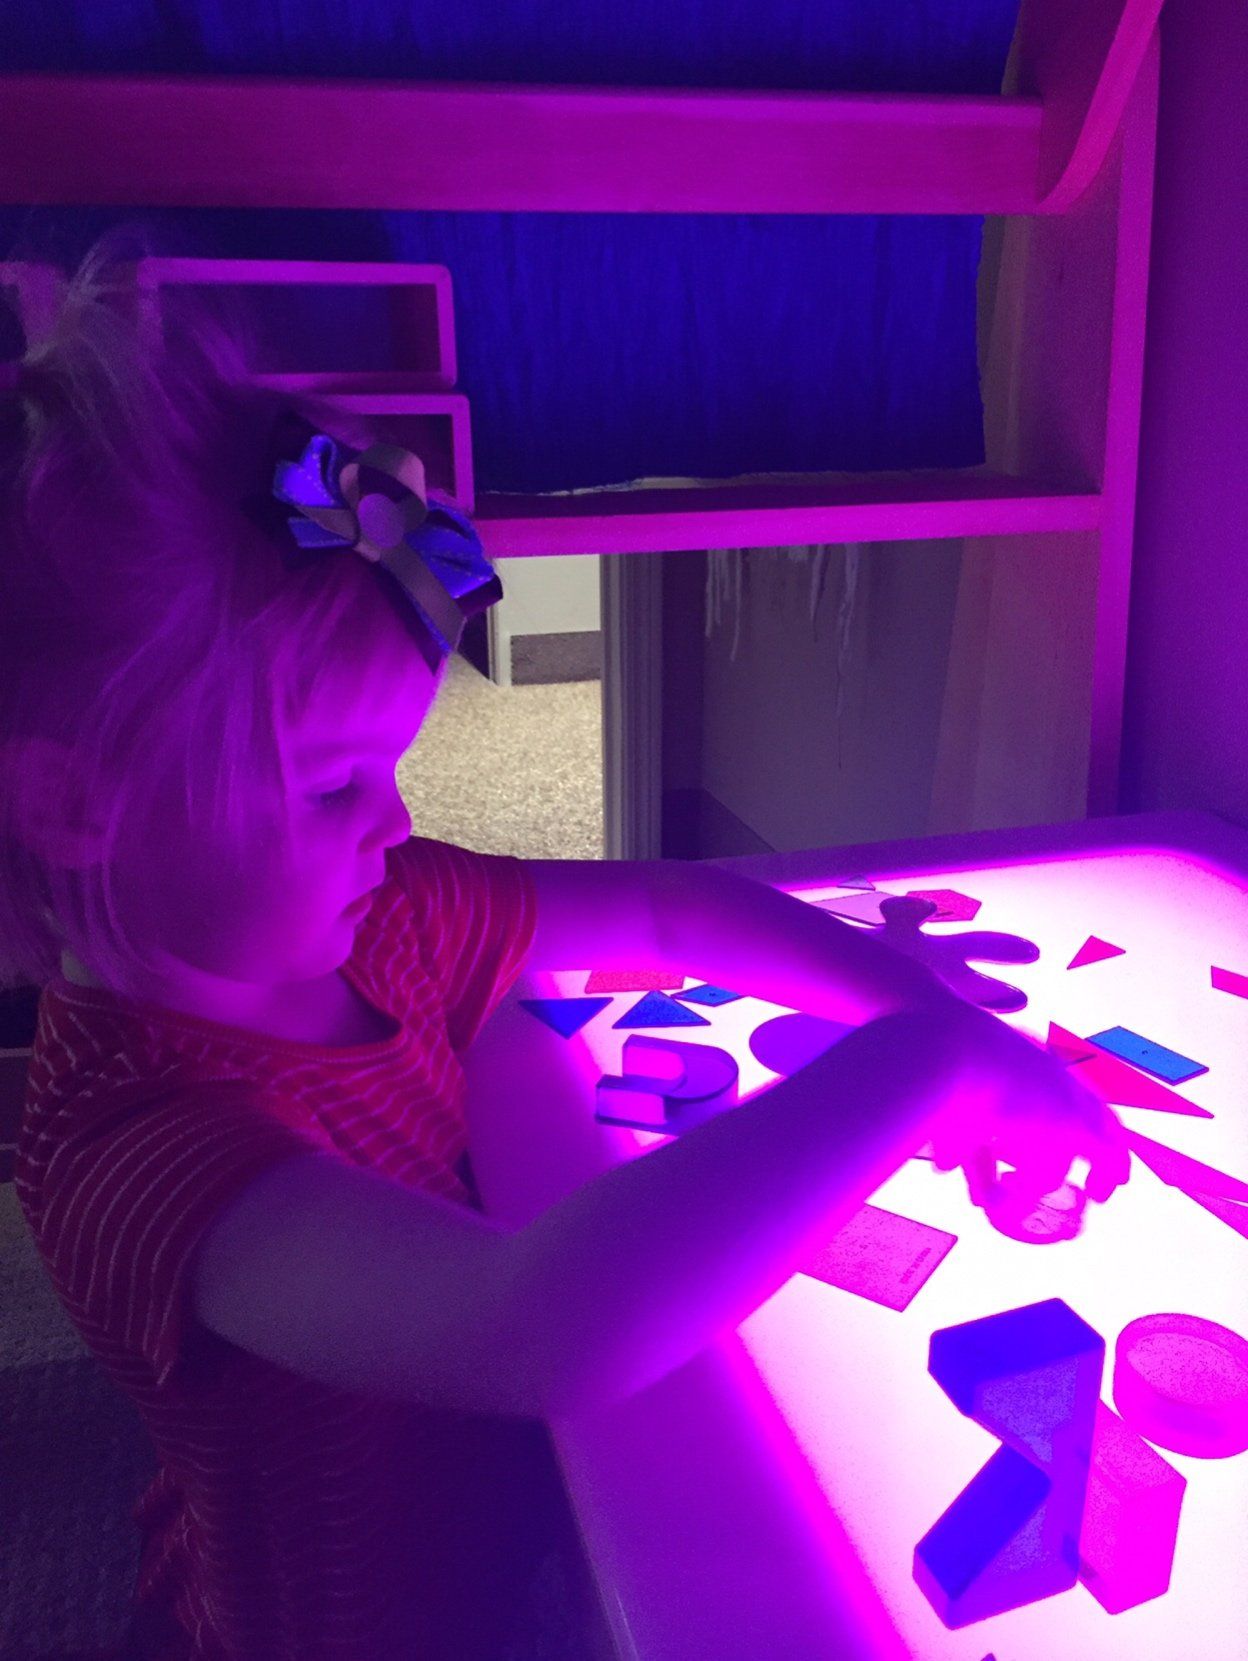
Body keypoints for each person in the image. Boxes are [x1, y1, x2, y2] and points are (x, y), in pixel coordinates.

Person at [0, 227, 1131, 1661]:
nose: (393, 814)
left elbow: (666, 909)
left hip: (501, 1530)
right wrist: (920, 1066)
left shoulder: (381, 913)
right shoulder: (139, 1154)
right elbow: (541, 1323)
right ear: (75, 803)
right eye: (331, 779)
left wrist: (900, 988)